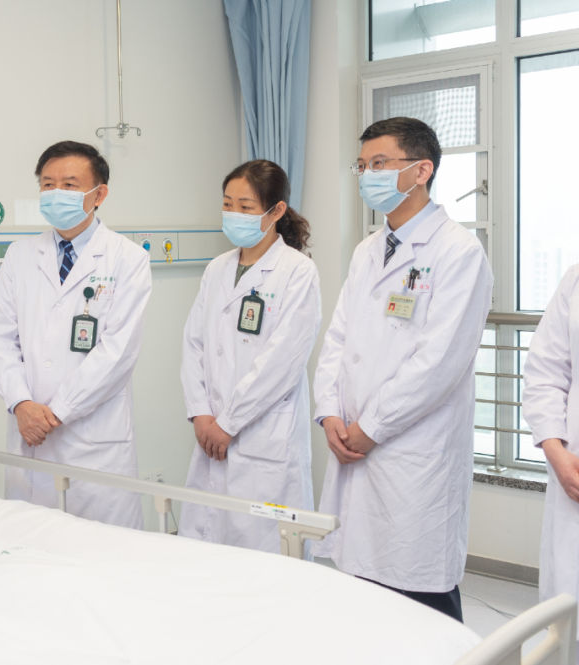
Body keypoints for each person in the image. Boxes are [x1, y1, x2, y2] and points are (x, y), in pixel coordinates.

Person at [313, 117, 493, 622]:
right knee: (362, 592)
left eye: (379, 164)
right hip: (353, 440)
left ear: (421, 170)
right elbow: (338, 339)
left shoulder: (459, 251)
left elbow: (439, 362)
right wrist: (330, 412)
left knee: (420, 594)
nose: (367, 175)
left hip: (412, 450)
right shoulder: (367, 250)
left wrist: (372, 427)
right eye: (362, 166)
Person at [0, 140, 151, 528]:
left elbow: (117, 352)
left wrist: (57, 411)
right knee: (31, 544)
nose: (57, 192)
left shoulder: (128, 259)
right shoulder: (20, 255)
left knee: (101, 550)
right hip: (28, 430)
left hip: (92, 440)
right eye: (48, 184)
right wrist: (21, 404)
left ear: (99, 194)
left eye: (70, 185)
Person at [180, 160, 320, 553]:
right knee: (208, 549)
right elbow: (193, 344)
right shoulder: (217, 269)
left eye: (246, 207)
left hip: (263, 437)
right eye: (228, 204)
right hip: (211, 430)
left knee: (263, 551)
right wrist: (201, 413)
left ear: (276, 211)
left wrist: (228, 423)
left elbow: (282, 361)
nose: (233, 214)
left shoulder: (297, 272)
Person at [522, 265, 579, 660]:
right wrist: (556, 452)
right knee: (568, 634)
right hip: (572, 479)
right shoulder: (575, 280)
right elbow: (544, 374)